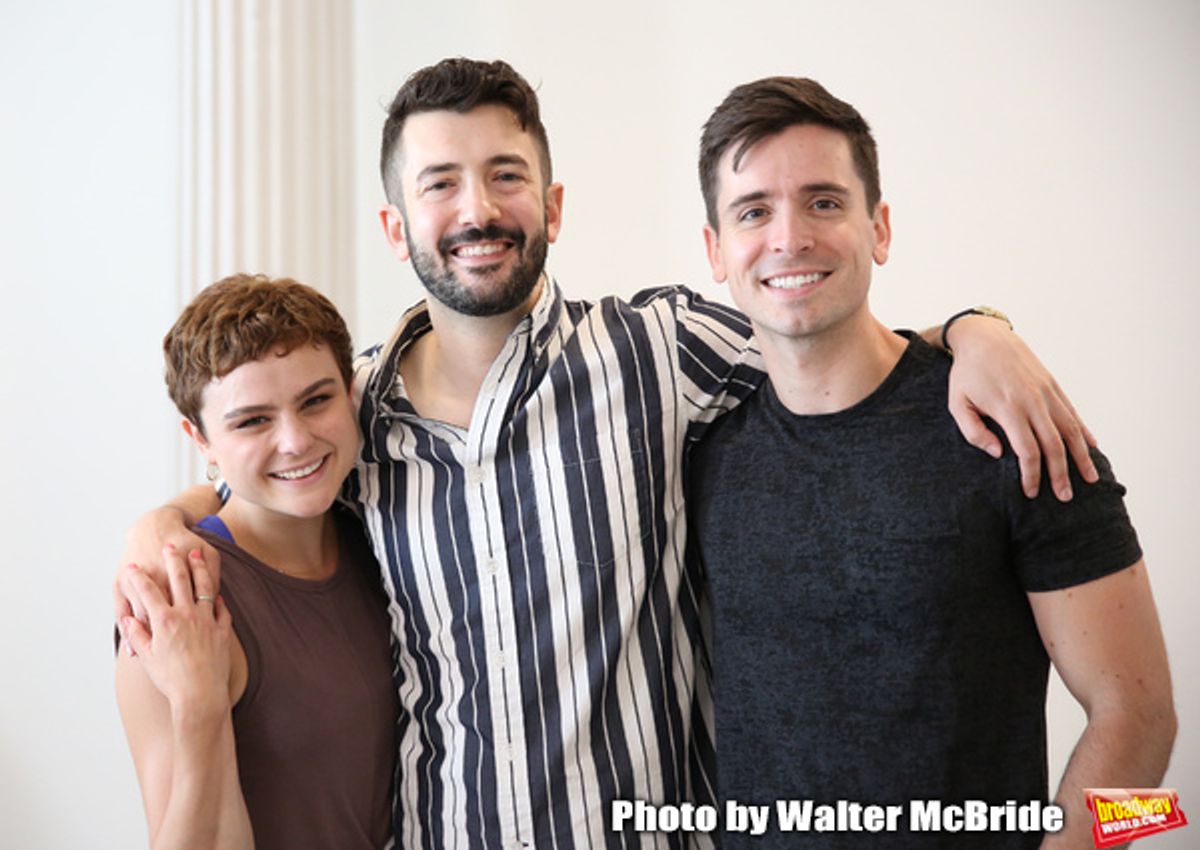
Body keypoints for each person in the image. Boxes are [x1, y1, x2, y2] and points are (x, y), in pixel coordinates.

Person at [117, 59, 1101, 850]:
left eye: (506, 175)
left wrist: (977, 329)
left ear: (551, 205)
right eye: (440, 184)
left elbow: (825, 336)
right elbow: (256, 464)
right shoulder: (350, 407)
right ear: (396, 225)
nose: (477, 209)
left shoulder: (654, 350)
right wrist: (157, 523)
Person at [687, 76, 1176, 848]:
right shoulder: (703, 449)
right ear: (717, 251)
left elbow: (1142, 717)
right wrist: (968, 325)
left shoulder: (1012, 424)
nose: (788, 238)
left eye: (823, 202)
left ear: (878, 228)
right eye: (754, 211)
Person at [115, 275, 397, 850]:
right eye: (252, 420)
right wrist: (200, 704)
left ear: (350, 393)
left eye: (315, 400)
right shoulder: (175, 605)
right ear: (201, 440)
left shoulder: (381, 540)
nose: (295, 441)